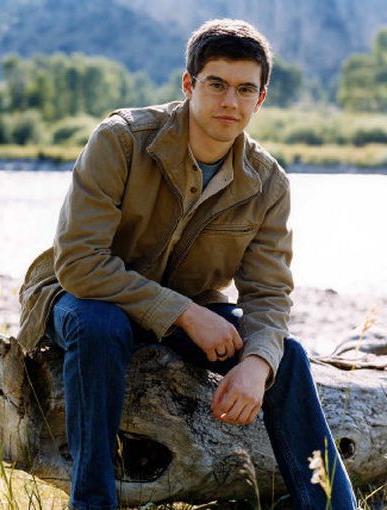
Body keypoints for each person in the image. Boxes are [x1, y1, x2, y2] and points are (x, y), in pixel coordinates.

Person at [18, 18, 357, 510]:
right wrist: (186, 314)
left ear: (261, 99)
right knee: (100, 324)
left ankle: (328, 503)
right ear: (189, 84)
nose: (229, 102)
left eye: (245, 90)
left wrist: (257, 363)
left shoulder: (268, 184)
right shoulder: (121, 140)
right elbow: (80, 263)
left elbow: (268, 294)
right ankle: (92, 502)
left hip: (186, 313)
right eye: (216, 85)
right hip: (82, 299)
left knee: (288, 355)